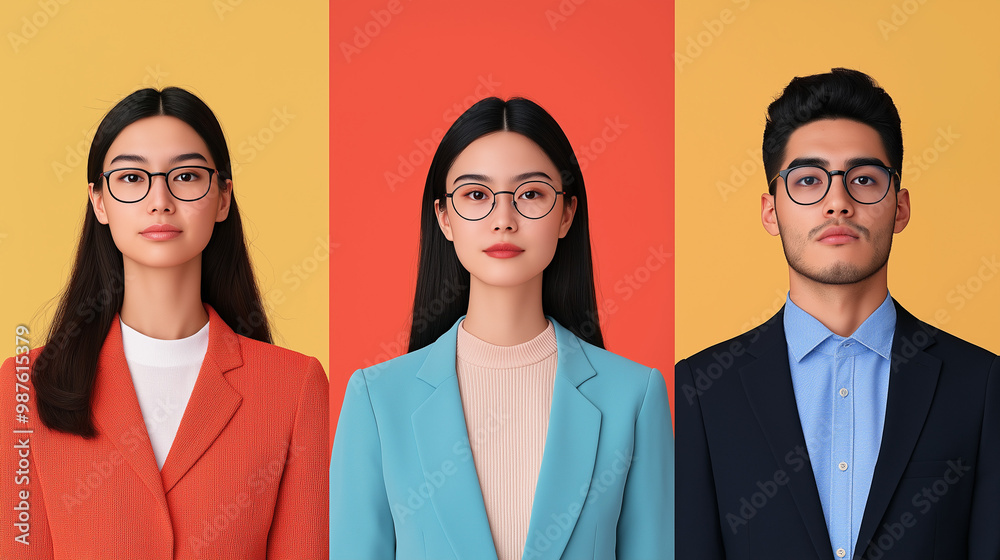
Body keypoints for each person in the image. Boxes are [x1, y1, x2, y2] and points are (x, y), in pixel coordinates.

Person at [675, 68, 1000, 559]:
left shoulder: (979, 384)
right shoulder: (702, 388)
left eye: (864, 180)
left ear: (900, 207)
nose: (837, 202)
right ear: (771, 211)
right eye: (808, 180)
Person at [330, 97, 673, 559]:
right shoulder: (377, 399)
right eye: (476, 195)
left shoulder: (634, 396)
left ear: (567, 214)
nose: (503, 219)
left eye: (531, 194)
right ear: (444, 218)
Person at [1, 87, 329, 559]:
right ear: (98, 202)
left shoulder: (293, 387)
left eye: (187, 176)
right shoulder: (25, 387)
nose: (160, 200)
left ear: (222, 198)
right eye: (132, 178)